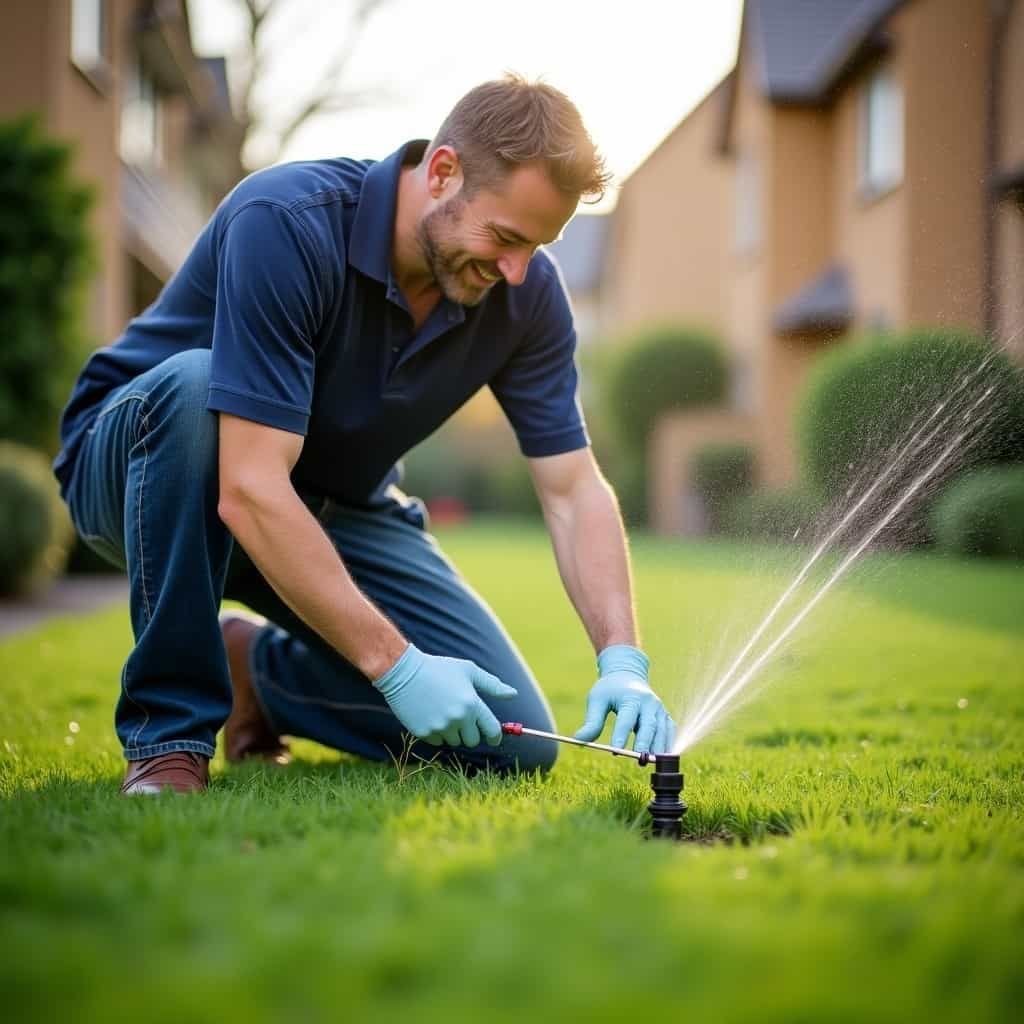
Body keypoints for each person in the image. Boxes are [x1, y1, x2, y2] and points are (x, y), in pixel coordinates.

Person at [53, 74, 676, 795]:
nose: (516, 271)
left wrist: (623, 660)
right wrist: (398, 666)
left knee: (511, 746)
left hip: (331, 500)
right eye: (506, 237)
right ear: (443, 172)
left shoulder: (526, 297)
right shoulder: (287, 219)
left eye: (537, 246)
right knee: (199, 388)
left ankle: (257, 674)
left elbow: (572, 489)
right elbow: (249, 484)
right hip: (144, 468)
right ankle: (170, 741)